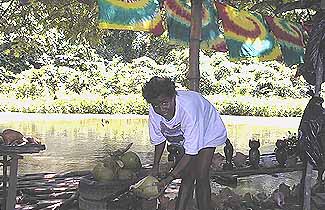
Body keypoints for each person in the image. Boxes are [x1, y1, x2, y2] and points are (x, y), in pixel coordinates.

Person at [142, 76, 227, 210]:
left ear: (173, 97)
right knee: (188, 174)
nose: (161, 109)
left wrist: (169, 179)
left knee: (201, 175)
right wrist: (155, 167)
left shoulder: (188, 109)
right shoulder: (154, 111)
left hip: (208, 129)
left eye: (164, 103)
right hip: (186, 134)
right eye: (156, 105)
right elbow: (159, 141)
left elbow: (191, 152)